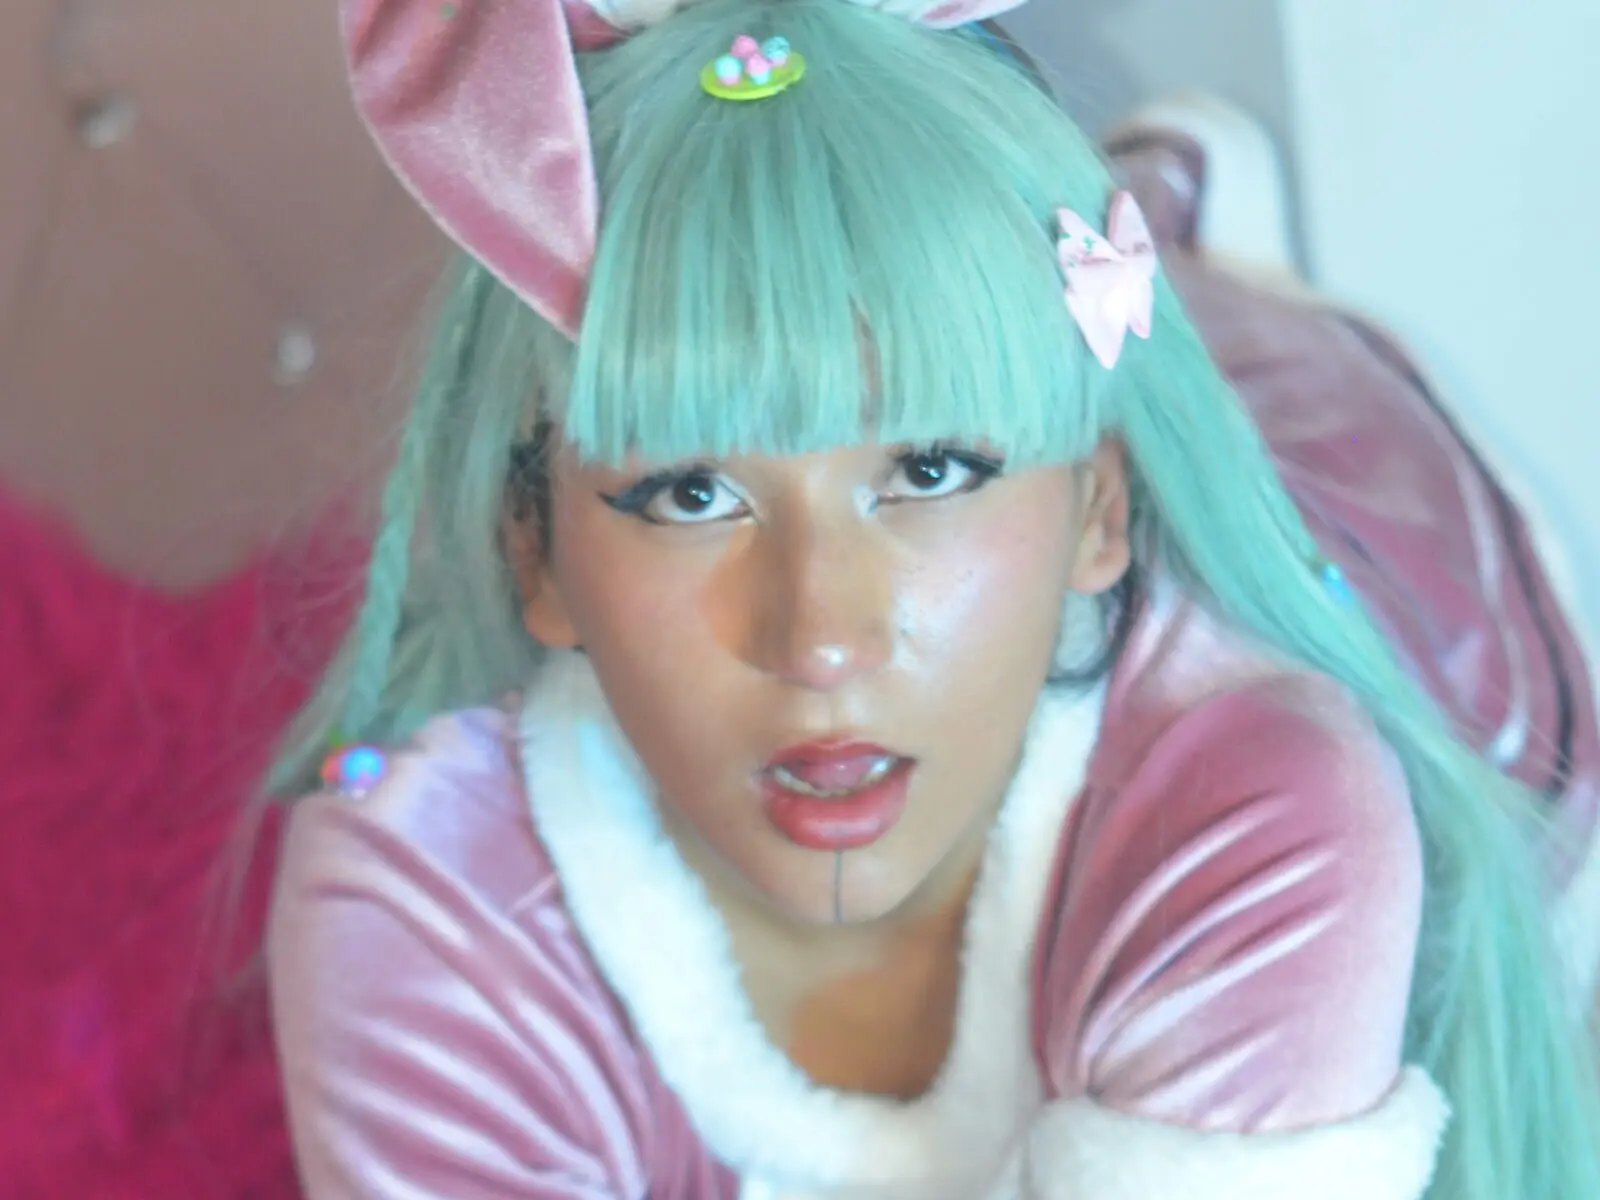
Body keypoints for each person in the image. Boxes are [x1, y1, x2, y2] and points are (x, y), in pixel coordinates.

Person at [265, 0, 1600, 1195]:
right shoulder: (423, 899)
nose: (822, 641)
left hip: (1356, 503)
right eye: (691, 492)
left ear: (1098, 513)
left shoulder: (1261, 807)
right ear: (537, 554)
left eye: (929, 470)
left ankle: (1177, 214)